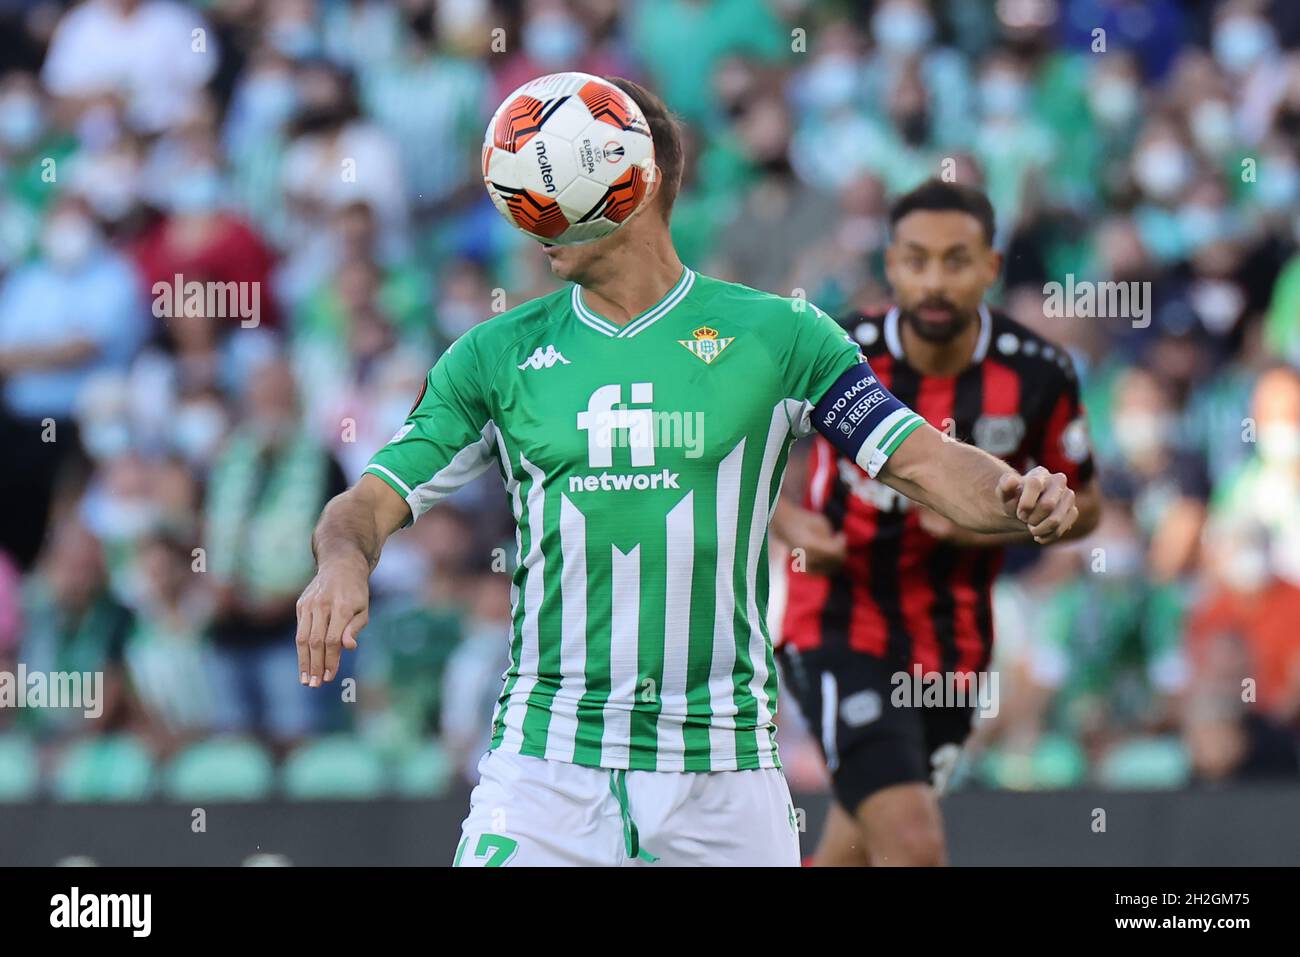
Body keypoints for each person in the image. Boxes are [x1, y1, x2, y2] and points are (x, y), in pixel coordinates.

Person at [297, 78, 1080, 867]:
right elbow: (367, 501)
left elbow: (925, 462)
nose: (529, 212)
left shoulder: (779, 337)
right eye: (521, 191)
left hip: (725, 774)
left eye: (549, 182)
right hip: (547, 768)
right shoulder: (492, 356)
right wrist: (340, 560)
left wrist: (1018, 495)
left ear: (632, 180)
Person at [772, 179, 1101, 866]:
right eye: (916, 259)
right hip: (838, 618)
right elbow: (732, 448)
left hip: (952, 641)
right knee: (911, 840)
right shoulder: (839, 351)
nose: (934, 280)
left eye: (956, 260)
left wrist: (1028, 516)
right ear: (890, 265)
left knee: (858, 842)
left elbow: (1086, 504)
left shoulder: (1038, 374)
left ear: (991, 267)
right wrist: (788, 522)